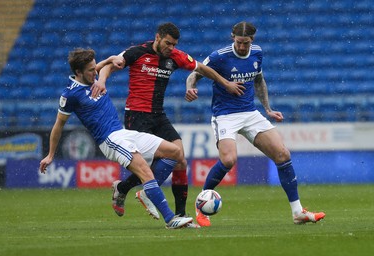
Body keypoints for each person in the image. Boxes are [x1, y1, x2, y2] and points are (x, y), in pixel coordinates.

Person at [94, 22, 245, 219]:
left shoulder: (175, 56)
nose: (170, 48)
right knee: (148, 164)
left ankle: (179, 213)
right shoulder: (137, 52)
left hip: (158, 114)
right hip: (137, 115)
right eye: (167, 43)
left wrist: (225, 84)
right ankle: (136, 190)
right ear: (158, 37)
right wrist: (102, 81)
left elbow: (202, 68)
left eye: (174, 44)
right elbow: (108, 66)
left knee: (180, 158)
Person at [185, 21, 326, 227]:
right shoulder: (220, 56)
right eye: (239, 42)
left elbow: (259, 80)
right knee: (229, 160)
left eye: (246, 43)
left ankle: (298, 212)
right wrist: (190, 88)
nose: (242, 47)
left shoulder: (257, 53)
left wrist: (268, 108)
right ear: (233, 37)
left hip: (250, 113)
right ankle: (201, 207)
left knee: (282, 154)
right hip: (225, 115)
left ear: (253, 40)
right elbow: (194, 74)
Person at [39, 47, 195, 229]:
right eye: (91, 70)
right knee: (145, 171)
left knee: (175, 153)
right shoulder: (70, 95)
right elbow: (58, 126)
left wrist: (110, 59)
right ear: (78, 72)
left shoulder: (92, 77)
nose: (95, 71)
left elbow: (103, 66)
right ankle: (170, 219)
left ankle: (145, 192)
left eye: (94, 67)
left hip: (123, 133)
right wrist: (50, 155)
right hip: (110, 140)